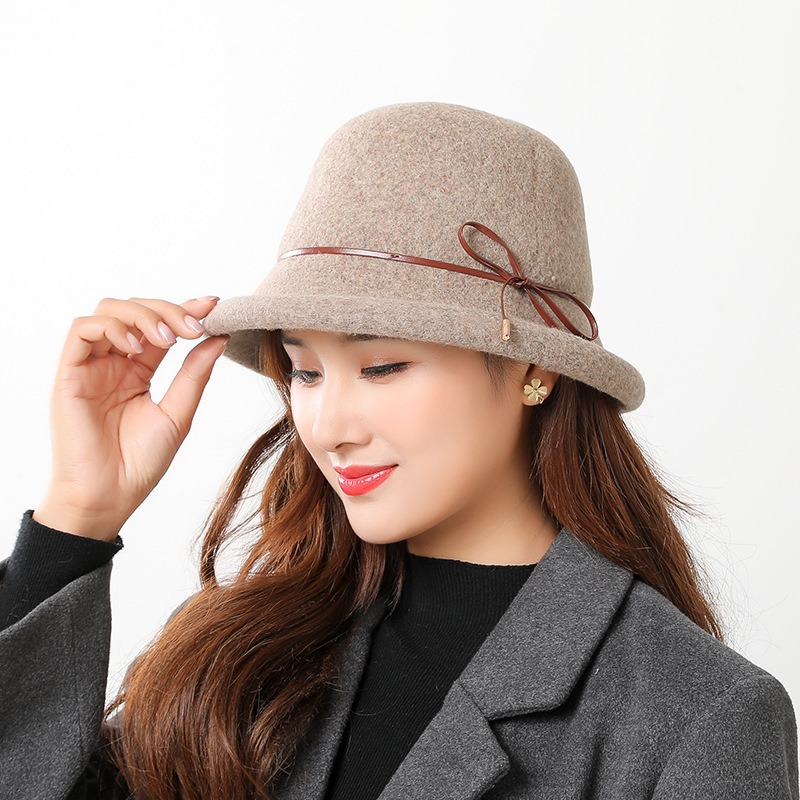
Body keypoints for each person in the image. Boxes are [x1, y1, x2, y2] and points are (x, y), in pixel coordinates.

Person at [0, 102, 796, 800]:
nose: (327, 425)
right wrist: (77, 516)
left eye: (382, 367)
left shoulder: (697, 716)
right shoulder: (235, 655)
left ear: (537, 370)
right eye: (304, 371)